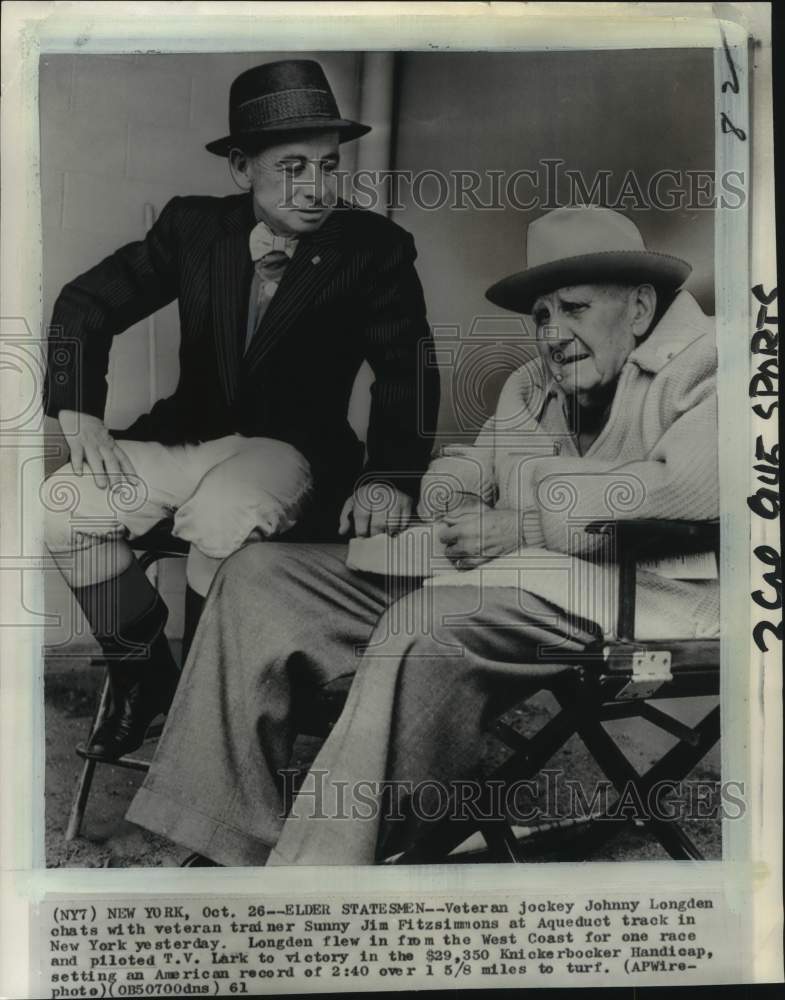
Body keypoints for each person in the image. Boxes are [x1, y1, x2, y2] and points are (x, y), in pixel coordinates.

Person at [126, 206, 719, 866]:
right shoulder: (535, 383)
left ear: (638, 308)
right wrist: (442, 491)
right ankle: (229, 837)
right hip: (515, 582)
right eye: (541, 315)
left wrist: (523, 522)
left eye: (573, 309)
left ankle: (318, 878)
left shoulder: (709, 362)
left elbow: (685, 487)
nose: (553, 334)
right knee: (259, 576)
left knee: (422, 626)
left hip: (633, 604)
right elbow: (480, 460)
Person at [43, 59, 439, 760]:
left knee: (224, 514)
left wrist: (390, 476)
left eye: (327, 165)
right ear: (239, 168)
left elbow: (405, 373)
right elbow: (86, 302)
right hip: (186, 438)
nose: (316, 188)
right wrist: (77, 413)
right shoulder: (194, 228)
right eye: (292, 167)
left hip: (290, 450)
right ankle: (145, 674)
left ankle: (208, 709)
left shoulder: (372, 250)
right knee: (60, 504)